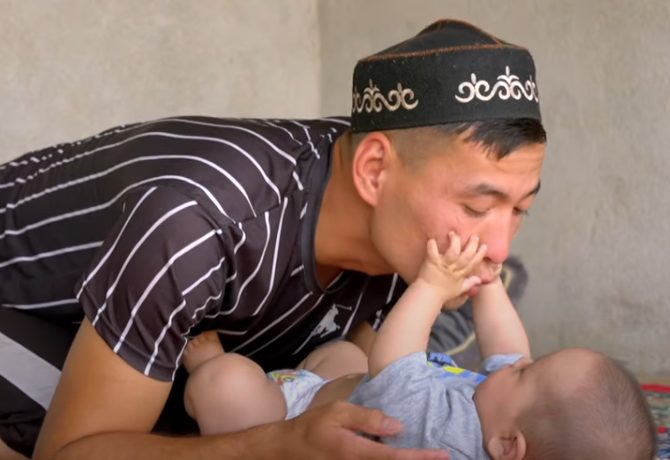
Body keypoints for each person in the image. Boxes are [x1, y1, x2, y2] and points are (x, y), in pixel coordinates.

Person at [1, 19, 547, 460]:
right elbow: (72, 452)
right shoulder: (201, 221)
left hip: (152, 336)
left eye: (519, 209)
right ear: (374, 170)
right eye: (477, 208)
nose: (497, 249)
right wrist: (275, 444)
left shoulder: (408, 243)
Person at [183, 234, 657, 460]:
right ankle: (299, 370)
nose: (518, 363)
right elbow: (509, 347)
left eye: (525, 373)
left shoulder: (441, 436)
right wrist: (487, 283)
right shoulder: (505, 415)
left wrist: (433, 285)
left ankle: (208, 364)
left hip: (291, 425)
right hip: (342, 388)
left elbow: (394, 359)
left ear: (508, 446)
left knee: (227, 386)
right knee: (347, 357)